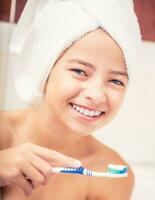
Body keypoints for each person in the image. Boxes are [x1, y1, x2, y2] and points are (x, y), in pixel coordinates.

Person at [0, 0, 141, 199]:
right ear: (45, 69)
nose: (97, 94)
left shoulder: (111, 177)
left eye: (116, 81)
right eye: (79, 71)